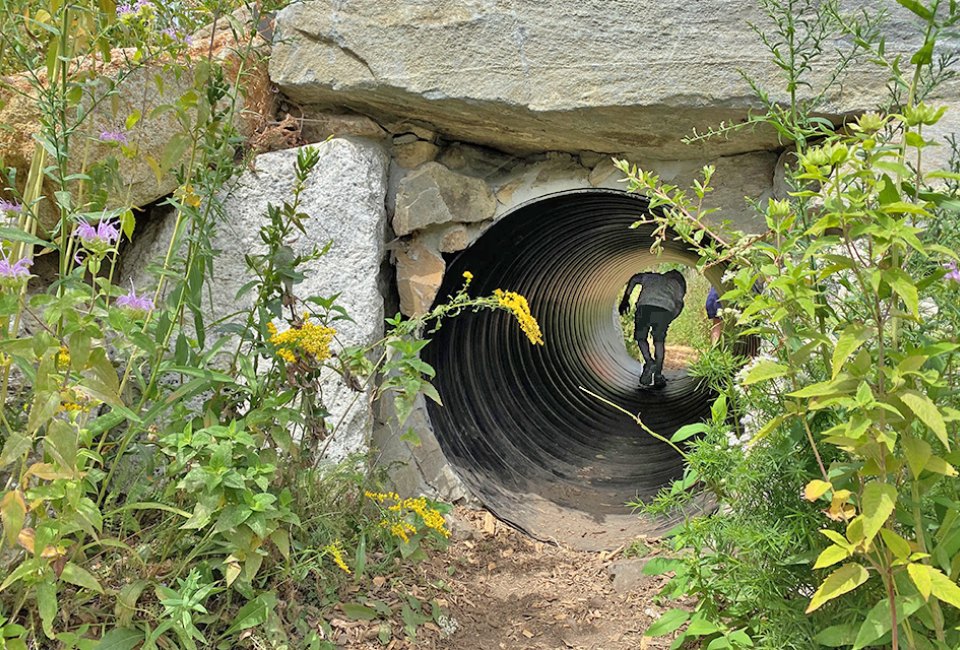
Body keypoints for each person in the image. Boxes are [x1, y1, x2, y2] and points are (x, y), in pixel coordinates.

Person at [618, 269, 687, 388]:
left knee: (640, 337)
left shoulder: (650, 276)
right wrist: (670, 317)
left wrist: (626, 298)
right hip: (664, 310)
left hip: (644, 307)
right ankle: (658, 375)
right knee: (659, 342)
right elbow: (679, 305)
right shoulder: (676, 285)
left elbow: (634, 278)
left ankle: (649, 361)